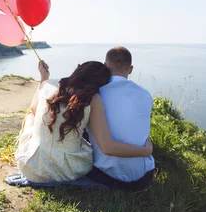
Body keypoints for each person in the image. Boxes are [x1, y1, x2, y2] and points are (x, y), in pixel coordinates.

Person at [14, 60, 153, 184]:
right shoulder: (93, 99)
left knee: (30, 117)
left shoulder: (49, 84)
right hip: (68, 170)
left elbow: (33, 109)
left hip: (31, 167)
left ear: (78, 70)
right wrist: (145, 151)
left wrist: (44, 79)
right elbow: (107, 146)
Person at [85, 47, 155, 191]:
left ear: (105, 66)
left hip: (106, 177)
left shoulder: (97, 93)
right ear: (130, 69)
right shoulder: (145, 95)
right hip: (142, 178)